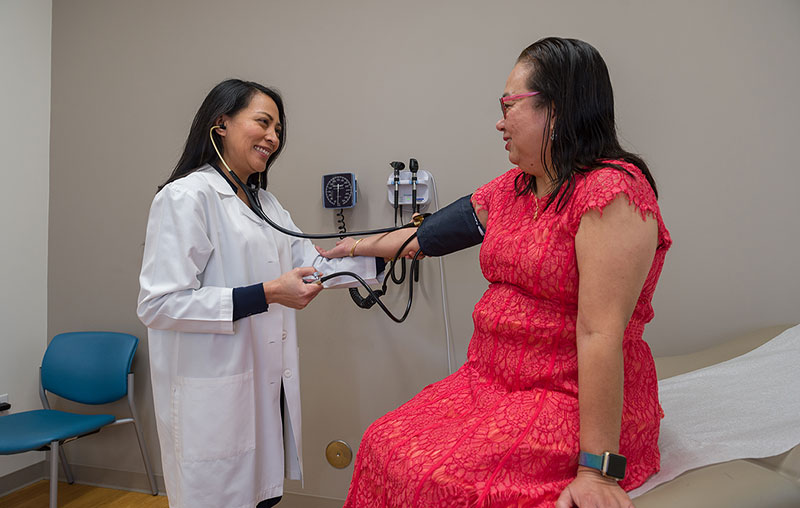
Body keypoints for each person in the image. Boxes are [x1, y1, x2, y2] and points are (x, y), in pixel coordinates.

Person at [318, 37, 672, 507]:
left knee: (442, 481)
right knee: (383, 442)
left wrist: (599, 471)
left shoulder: (612, 194)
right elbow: (428, 237)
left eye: (510, 105)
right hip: (489, 383)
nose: (500, 122)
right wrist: (354, 248)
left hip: (563, 395)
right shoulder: (517, 186)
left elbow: (598, 333)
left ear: (559, 109)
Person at [137, 79, 384, 508]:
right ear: (221, 124)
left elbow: (315, 266)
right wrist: (268, 293)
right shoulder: (186, 198)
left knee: (262, 498)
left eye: (278, 129)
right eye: (263, 123)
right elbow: (159, 304)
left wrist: (391, 252)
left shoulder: (266, 205)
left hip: (261, 395)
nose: (273, 137)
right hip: (213, 400)